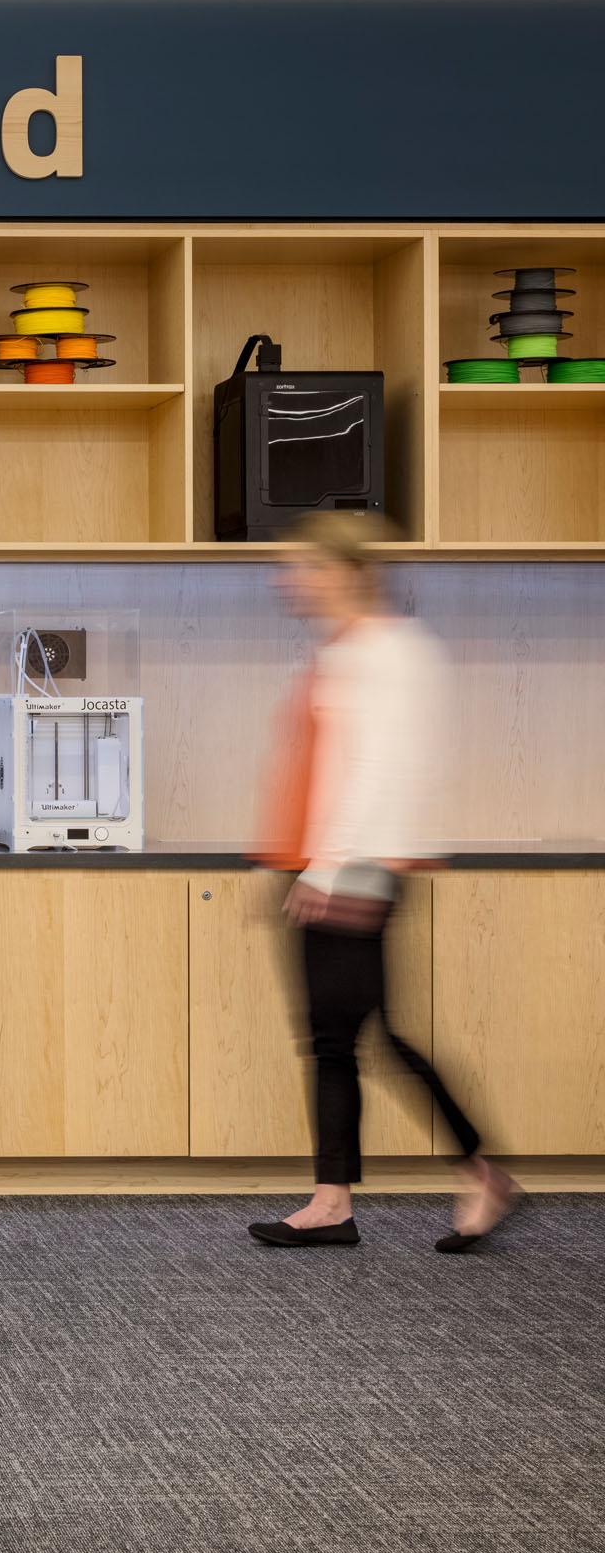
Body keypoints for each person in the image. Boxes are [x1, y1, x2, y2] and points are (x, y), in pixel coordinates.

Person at [247, 514, 520, 1253]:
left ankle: (479, 1171)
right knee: (339, 1039)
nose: (287, 580)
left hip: (355, 867)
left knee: (363, 1037)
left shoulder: (389, 651)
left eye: (302, 566)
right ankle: (333, 1200)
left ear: (344, 571)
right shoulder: (349, 650)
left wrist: (328, 870)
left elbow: (378, 774)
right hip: (329, 863)